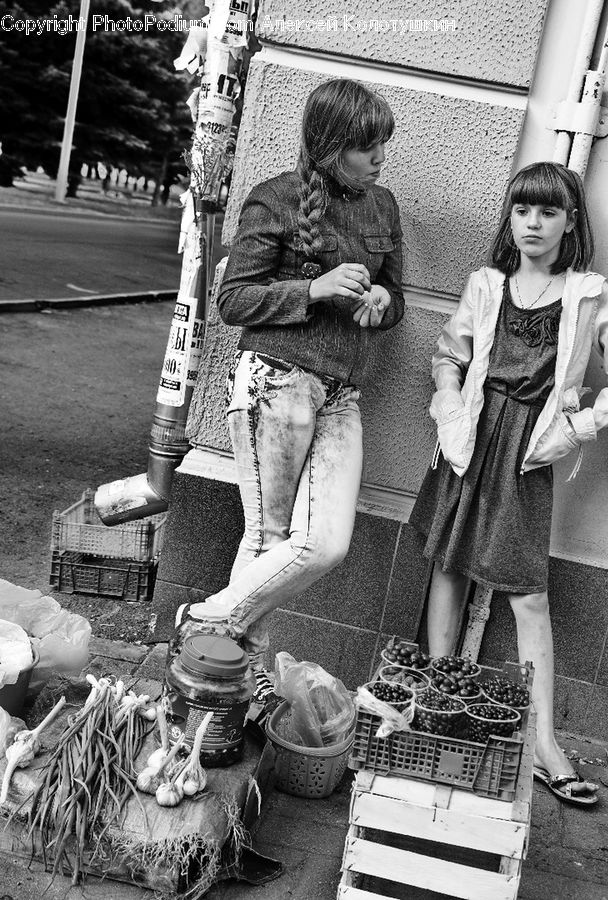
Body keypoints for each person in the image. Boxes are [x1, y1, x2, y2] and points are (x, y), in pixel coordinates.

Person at [409, 161, 608, 806]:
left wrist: (579, 427)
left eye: (548, 212)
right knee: (449, 568)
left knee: (527, 596)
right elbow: (449, 355)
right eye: (522, 211)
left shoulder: (590, 295)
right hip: (471, 440)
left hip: (527, 453)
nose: (533, 224)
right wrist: (450, 403)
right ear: (510, 219)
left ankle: (544, 744)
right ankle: (438, 702)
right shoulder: (486, 286)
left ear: (570, 223)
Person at [187, 78, 404, 708]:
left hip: (341, 395)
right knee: (268, 538)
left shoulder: (383, 206)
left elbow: (395, 300)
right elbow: (232, 301)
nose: (380, 158)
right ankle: (229, 685)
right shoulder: (274, 199)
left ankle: (207, 626)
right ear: (334, 147)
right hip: (275, 383)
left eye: (382, 145)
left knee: (325, 543)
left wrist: (381, 303)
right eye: (368, 148)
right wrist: (315, 289)